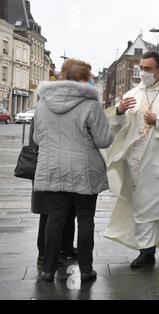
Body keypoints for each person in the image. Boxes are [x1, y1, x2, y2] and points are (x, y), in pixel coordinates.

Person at [102, 51, 159, 270]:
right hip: (139, 162)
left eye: (147, 69)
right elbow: (118, 126)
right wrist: (119, 110)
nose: (142, 73)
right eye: (141, 68)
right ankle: (146, 252)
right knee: (142, 207)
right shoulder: (133, 93)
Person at [33, 58, 114, 283]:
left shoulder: (42, 103)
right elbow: (105, 139)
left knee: (55, 218)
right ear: (82, 79)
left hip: (52, 168)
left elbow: (36, 138)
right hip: (84, 171)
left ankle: (48, 269)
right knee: (85, 219)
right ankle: (86, 270)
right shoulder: (91, 104)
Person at [29, 117, 77, 266]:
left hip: (63, 167)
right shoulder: (41, 113)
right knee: (47, 212)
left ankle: (66, 248)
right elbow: (35, 142)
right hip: (47, 167)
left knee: (69, 208)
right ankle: (44, 253)